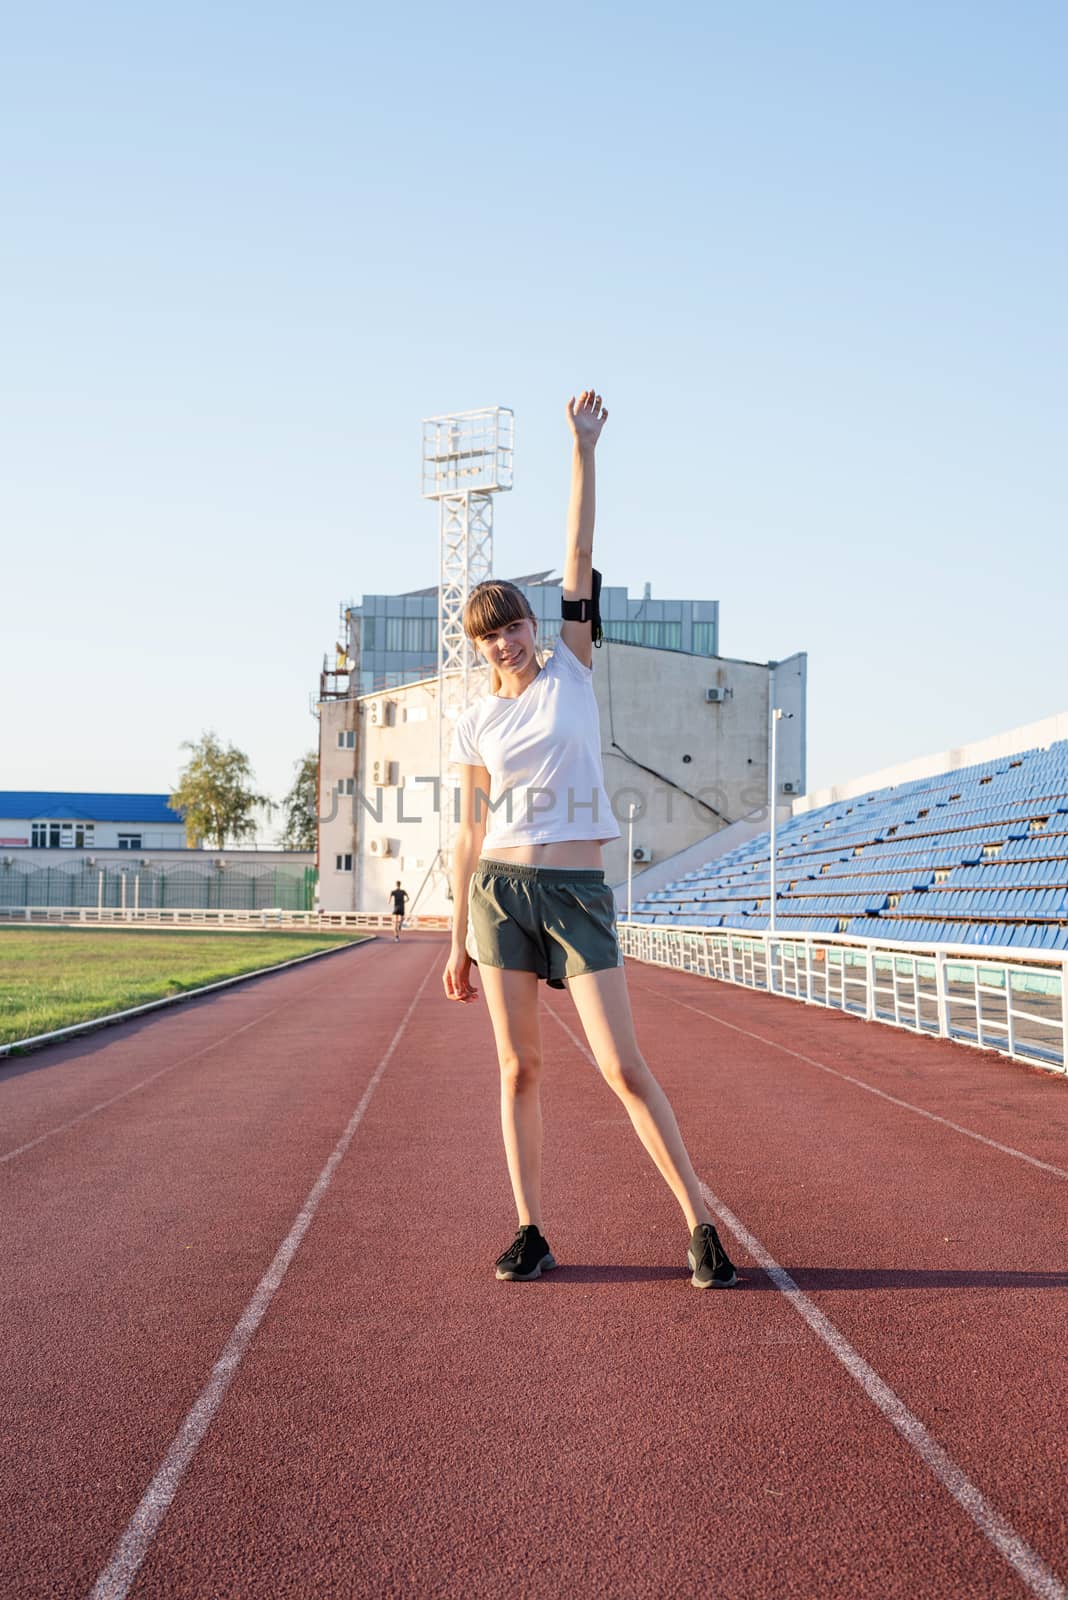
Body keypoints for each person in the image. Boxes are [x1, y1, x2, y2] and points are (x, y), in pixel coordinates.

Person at [442, 389, 738, 1291]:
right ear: (479, 647)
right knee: (518, 1064)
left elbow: (579, 550)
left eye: (515, 625)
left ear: (540, 626)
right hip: (500, 895)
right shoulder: (472, 725)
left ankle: (699, 1222)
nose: (507, 642)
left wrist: (582, 447)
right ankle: (530, 1227)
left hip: (577, 895)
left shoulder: (572, 666)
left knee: (621, 1064)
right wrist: (454, 939)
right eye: (490, 636)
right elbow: (468, 833)